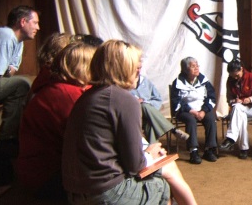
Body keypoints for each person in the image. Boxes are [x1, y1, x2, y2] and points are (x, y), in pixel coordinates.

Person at [62, 40, 197, 205]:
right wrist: (150, 153)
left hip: (76, 192)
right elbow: (135, 166)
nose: (139, 69)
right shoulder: (123, 99)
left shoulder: (89, 96)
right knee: (162, 187)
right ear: (121, 67)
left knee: (165, 170)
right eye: (135, 65)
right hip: (105, 193)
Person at [17, 41, 96, 200]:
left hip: (43, 170)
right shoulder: (66, 94)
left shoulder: (56, 86)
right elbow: (88, 140)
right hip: (47, 176)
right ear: (84, 67)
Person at [0, 5, 40, 186]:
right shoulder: (6, 36)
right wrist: (8, 71)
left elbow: (10, 71)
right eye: (35, 22)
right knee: (22, 84)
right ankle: (6, 142)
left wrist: (8, 71)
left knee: (23, 83)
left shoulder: (19, 41)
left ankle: (11, 139)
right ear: (23, 22)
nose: (38, 27)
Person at [170, 56, 218, 164]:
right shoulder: (178, 83)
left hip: (201, 109)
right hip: (185, 111)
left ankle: (209, 150)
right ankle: (193, 151)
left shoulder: (204, 81)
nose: (196, 68)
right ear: (186, 70)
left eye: (197, 65)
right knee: (191, 120)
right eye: (193, 66)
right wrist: (191, 111)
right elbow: (176, 102)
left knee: (211, 118)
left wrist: (204, 111)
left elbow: (211, 97)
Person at [131, 72, 189, 144]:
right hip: (133, 116)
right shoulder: (121, 83)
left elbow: (157, 99)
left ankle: (153, 150)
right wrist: (134, 102)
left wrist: (146, 102)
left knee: (149, 121)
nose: (138, 70)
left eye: (139, 67)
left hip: (148, 115)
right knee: (145, 107)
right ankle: (173, 129)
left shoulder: (145, 81)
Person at [219, 59, 252, 159]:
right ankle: (244, 149)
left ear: (241, 69)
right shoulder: (230, 80)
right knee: (240, 115)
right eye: (233, 76)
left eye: (237, 75)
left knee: (238, 110)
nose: (235, 78)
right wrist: (235, 101)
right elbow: (229, 99)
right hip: (239, 108)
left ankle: (230, 139)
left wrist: (248, 99)